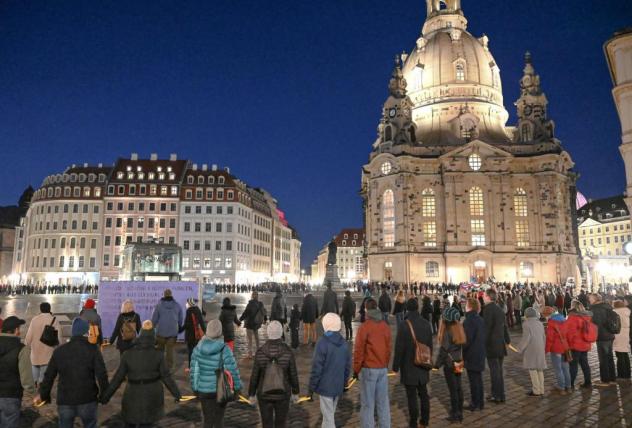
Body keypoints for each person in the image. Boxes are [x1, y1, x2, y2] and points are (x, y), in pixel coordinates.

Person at [101, 320, 182, 427]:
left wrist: (105, 397)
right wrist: (177, 394)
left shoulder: (127, 354)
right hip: (153, 396)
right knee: (149, 424)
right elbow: (166, 377)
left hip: (132, 394)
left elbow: (117, 378)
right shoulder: (158, 354)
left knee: (131, 422)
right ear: (153, 336)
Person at [37, 318, 109, 428]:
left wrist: (44, 395)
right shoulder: (93, 349)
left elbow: (49, 376)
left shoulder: (59, 351)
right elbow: (102, 374)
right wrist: (104, 394)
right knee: (90, 424)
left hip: (65, 399)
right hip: (87, 398)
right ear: (86, 332)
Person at [190, 319, 242, 428]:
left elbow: (194, 372)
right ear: (220, 331)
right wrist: (237, 388)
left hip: (203, 390)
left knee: (207, 420)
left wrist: (195, 388)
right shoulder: (225, 349)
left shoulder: (197, 349)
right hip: (220, 389)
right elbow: (233, 370)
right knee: (219, 420)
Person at [248, 321, 300, 428]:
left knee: (266, 424)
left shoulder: (260, 352)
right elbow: (293, 374)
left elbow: (255, 376)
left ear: (268, 333)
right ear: (281, 333)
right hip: (283, 394)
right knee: (281, 424)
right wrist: (295, 392)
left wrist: (251, 394)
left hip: (264, 393)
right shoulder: (288, 351)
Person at [392, 298, 432, 428]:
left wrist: (395, 366)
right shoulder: (426, 324)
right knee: (424, 393)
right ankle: (425, 420)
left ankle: (413, 422)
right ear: (418, 308)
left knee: (412, 397)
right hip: (423, 363)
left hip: (409, 365)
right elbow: (430, 345)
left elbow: (399, 348)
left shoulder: (404, 325)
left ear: (407, 309)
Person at [353, 298, 392, 428]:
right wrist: (385, 363)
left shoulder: (365, 327)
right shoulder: (385, 326)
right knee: (383, 402)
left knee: (368, 404)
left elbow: (359, 350)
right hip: (382, 368)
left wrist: (356, 368)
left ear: (366, 310)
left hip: (369, 368)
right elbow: (388, 348)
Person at [308, 313, 350, 428]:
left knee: (328, 417)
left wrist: (311, 388)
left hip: (325, 386)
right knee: (329, 415)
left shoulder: (322, 342)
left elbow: (316, 368)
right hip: (338, 385)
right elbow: (347, 366)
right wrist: (345, 383)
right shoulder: (344, 343)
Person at [0, 316, 35, 428]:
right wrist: (32, 393)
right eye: (19, 328)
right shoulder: (21, 349)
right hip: (11, 395)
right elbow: (26, 377)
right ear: (16, 330)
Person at [435, 307, 466, 423]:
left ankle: (455, 413)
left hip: (449, 364)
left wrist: (437, 364)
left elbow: (444, 350)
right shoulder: (459, 328)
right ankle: (460, 412)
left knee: (453, 390)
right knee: (459, 387)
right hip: (458, 361)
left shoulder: (447, 330)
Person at [482, 288, 510, 403]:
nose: (483, 297)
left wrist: (482, 344)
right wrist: (507, 340)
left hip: (491, 345)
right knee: (498, 371)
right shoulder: (499, 309)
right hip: (500, 345)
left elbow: (487, 329)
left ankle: (497, 396)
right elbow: (504, 327)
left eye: (484, 295)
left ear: (488, 297)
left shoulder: (488, 309)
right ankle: (499, 394)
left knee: (495, 372)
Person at [24, 302, 62, 387]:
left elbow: (29, 334)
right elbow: (59, 337)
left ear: (40, 309)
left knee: (35, 366)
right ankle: (41, 384)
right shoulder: (54, 320)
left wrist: (26, 343)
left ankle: (35, 383)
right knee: (45, 368)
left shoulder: (35, 319)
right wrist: (59, 347)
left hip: (36, 349)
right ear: (49, 309)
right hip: (48, 349)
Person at [514, 307, 547, 396]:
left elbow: (526, 338)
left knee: (532, 369)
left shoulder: (526, 324)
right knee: (540, 369)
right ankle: (541, 389)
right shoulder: (539, 323)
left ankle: (536, 390)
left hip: (531, 348)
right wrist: (543, 347)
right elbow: (544, 336)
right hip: (540, 347)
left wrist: (519, 348)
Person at [151, 289, 184, 371]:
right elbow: (180, 318)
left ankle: (159, 367)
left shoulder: (159, 306)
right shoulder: (177, 305)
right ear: (171, 295)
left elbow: (154, 319)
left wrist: (152, 327)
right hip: (173, 333)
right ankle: (169, 369)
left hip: (161, 332)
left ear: (164, 295)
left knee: (160, 351)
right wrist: (179, 326)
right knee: (170, 351)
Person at [589, 293, 617, 386]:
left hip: (602, 336)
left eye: (590, 298)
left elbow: (595, 324)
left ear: (595, 299)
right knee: (609, 357)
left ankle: (605, 380)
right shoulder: (607, 306)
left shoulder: (595, 309)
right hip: (610, 334)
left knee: (603, 359)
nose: (589, 300)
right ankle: (612, 378)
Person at [462, 298, 485, 411]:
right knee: (478, 379)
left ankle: (475, 403)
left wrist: (461, 349)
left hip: (472, 354)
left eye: (466, 304)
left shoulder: (469, 320)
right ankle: (480, 402)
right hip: (480, 352)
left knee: (474, 380)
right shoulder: (480, 319)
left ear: (470, 306)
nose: (465, 306)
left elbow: (467, 339)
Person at [565, 300, 593, 388]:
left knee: (573, 366)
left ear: (573, 307)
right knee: (585, 364)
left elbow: (570, 333)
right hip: (585, 344)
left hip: (575, 345)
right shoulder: (587, 316)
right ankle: (588, 382)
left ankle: (570, 384)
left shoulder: (572, 317)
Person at [544, 308, 571, 394]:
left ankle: (561, 387)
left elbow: (550, 338)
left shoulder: (551, 323)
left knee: (558, 369)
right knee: (566, 369)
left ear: (547, 315)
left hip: (556, 349)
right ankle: (569, 387)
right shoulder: (564, 320)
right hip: (565, 347)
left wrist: (546, 350)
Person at [240, 291, 267, 357]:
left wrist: (240, 319)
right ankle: (258, 351)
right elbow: (264, 312)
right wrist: (265, 320)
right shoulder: (260, 304)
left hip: (249, 323)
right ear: (257, 296)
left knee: (250, 339)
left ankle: (250, 353)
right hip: (256, 323)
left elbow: (245, 313)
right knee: (256, 337)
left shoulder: (250, 304)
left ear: (252, 296)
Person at [182, 298, 206, 365]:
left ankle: (190, 366)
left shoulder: (188, 311)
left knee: (190, 351)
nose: (186, 304)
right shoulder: (198, 310)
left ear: (190, 303)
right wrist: (205, 331)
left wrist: (180, 329)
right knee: (197, 350)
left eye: (187, 303)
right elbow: (201, 322)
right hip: (196, 334)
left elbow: (186, 324)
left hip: (190, 334)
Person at [613, 300, 631, 379]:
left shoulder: (615, 312)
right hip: (626, 333)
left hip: (618, 334)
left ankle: (621, 374)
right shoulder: (628, 311)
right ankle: (627, 373)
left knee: (619, 355)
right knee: (625, 354)